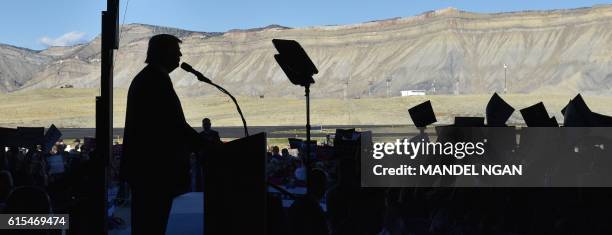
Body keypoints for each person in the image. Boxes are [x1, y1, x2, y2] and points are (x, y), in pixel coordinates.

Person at [120, 34, 212, 234]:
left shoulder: (150, 77)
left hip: (148, 171)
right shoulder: (154, 80)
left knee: (149, 225)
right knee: (151, 225)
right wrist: (206, 146)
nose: (180, 55)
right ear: (162, 52)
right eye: (175, 51)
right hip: (152, 170)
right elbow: (173, 124)